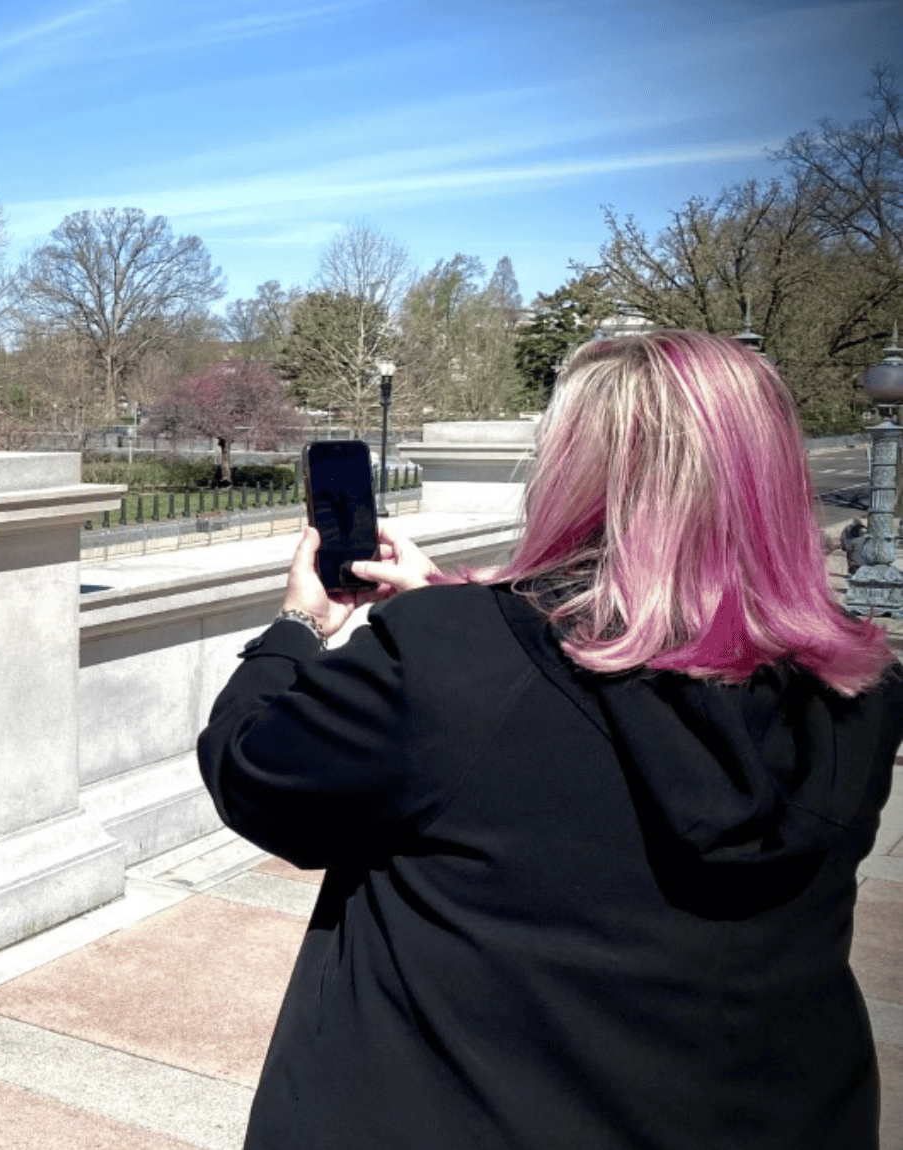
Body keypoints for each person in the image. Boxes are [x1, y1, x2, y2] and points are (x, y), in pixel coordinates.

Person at [199, 329, 903, 1150]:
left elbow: (256, 777)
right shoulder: (863, 687)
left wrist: (297, 627)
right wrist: (451, 612)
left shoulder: (450, 657)